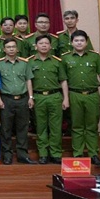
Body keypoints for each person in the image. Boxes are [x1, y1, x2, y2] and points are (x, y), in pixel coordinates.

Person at [61, 30, 100, 166]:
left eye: (82, 40)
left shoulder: (95, 57)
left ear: (86, 42)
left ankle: (93, 154)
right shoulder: (65, 58)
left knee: (92, 126)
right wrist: (66, 98)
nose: (79, 43)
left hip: (92, 95)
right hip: (74, 94)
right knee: (76, 126)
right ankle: (78, 153)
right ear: (71, 43)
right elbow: (63, 80)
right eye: (76, 40)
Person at [29, 35, 69, 164]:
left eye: (46, 43)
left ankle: (55, 153)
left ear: (50, 46)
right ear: (36, 46)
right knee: (41, 127)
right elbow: (28, 81)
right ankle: (43, 154)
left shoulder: (57, 61)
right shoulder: (30, 62)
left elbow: (63, 80)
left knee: (55, 127)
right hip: (38, 97)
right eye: (41, 43)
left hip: (55, 96)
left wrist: (66, 98)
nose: (44, 45)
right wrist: (31, 97)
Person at [0, 38, 34, 165]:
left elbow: (28, 80)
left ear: (17, 49)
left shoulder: (24, 63)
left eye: (13, 47)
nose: (11, 49)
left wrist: (31, 97)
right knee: (6, 128)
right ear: (4, 49)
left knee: (23, 128)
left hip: (22, 99)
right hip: (6, 99)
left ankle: (23, 155)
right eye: (8, 47)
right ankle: (7, 155)